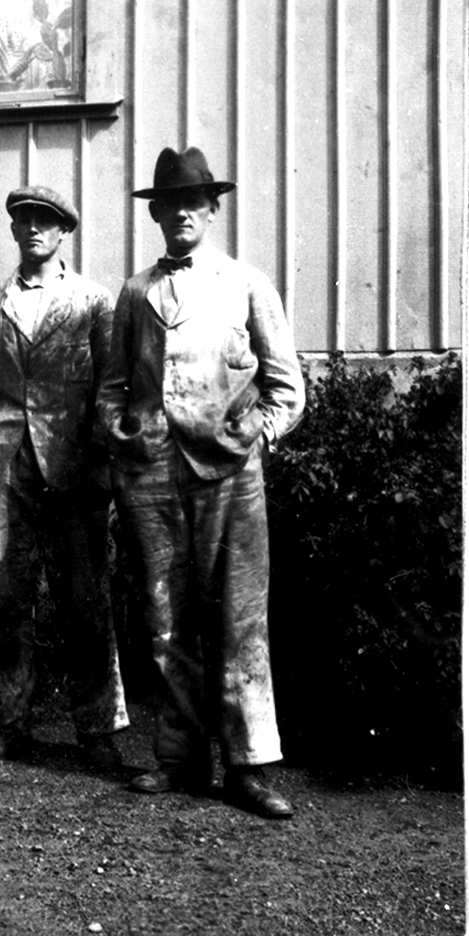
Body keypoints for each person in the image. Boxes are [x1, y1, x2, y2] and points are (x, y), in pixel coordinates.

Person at [97, 147, 305, 819]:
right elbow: (112, 385)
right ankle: (178, 757)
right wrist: (122, 432)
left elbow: (287, 387)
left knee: (239, 617)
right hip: (151, 474)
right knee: (165, 619)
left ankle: (249, 766)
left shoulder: (245, 283)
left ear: (212, 211)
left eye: (194, 203)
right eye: (171, 204)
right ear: (155, 214)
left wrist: (255, 435)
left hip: (229, 473)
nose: (182, 213)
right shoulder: (136, 291)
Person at [0, 185, 129, 765]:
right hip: (3, 463)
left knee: (84, 595)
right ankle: (7, 720)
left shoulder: (93, 300)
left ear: (64, 232)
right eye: (24, 220)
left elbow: (111, 386)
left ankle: (98, 728)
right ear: (12, 231)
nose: (33, 229)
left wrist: (101, 462)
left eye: (46, 221)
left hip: (73, 462)